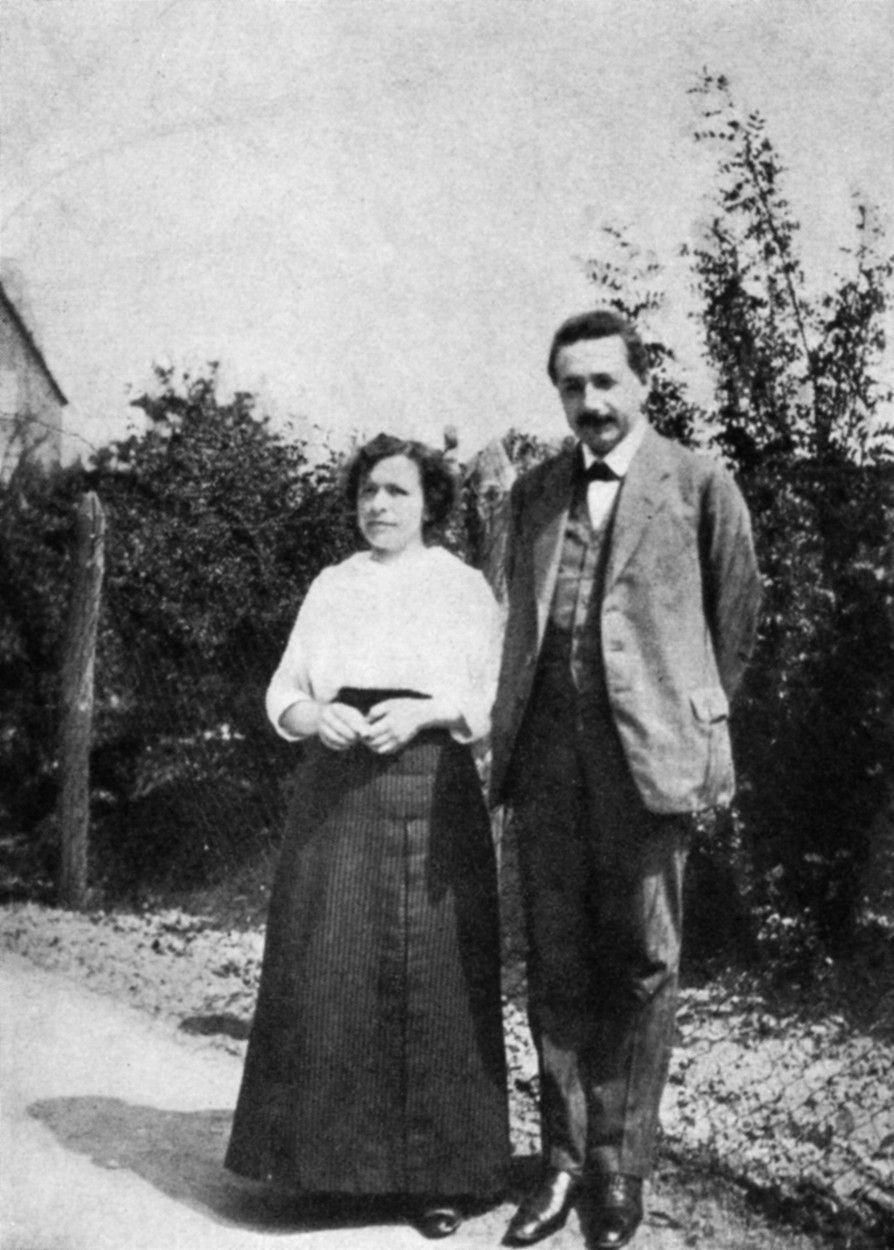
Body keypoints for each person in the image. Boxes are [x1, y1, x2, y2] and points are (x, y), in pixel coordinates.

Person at [490, 310, 762, 1248]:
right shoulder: (534, 492)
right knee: (557, 961)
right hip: (546, 760)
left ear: (642, 382)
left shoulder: (698, 482)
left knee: (645, 962)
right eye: (572, 386)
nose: (590, 402)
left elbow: (736, 614)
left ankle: (620, 1169)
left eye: (605, 381)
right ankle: (563, 1164)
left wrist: (688, 721)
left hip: (647, 765)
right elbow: (520, 620)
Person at [225, 433, 509, 1239]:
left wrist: (426, 712)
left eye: (397, 492)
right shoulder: (333, 584)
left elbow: (490, 695)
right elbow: (284, 692)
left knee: (436, 972)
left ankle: (440, 1178)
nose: (379, 506)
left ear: (430, 503)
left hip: (431, 785)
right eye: (368, 493)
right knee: (331, 960)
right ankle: (326, 1172)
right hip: (337, 793)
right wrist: (318, 715)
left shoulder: (461, 587)